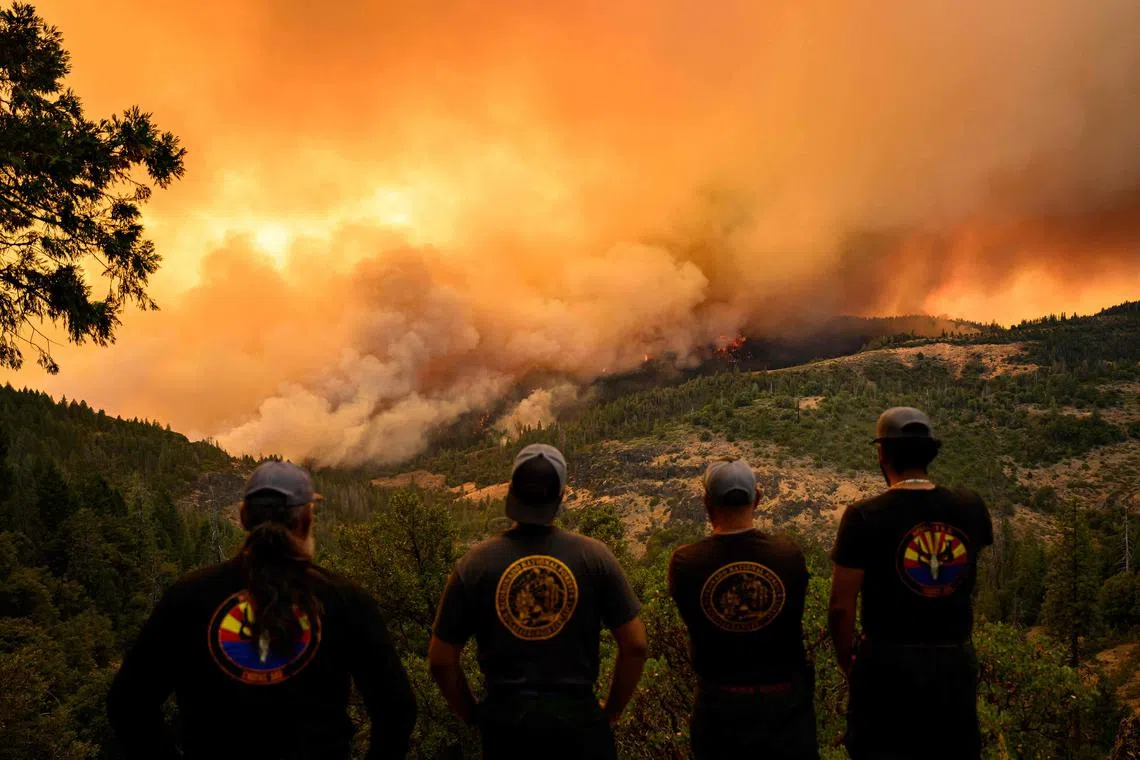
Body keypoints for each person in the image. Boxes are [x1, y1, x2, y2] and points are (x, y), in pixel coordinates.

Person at [107, 461, 416, 760]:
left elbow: (128, 704)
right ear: (306, 520)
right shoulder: (344, 599)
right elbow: (396, 708)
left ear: (243, 518)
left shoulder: (188, 597)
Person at [428, 443, 648, 760]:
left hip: (507, 731)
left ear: (511, 491)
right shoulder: (594, 557)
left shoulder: (475, 564)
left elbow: (440, 659)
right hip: (579, 726)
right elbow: (636, 645)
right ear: (560, 496)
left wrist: (472, 713)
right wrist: (610, 712)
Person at [829, 407, 993, 760]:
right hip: (953, 665)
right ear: (931, 452)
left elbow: (841, 606)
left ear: (882, 454)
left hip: (887, 666)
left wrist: (849, 662)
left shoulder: (863, 516)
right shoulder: (970, 508)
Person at [668, 458, 818, 760]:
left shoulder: (686, 563)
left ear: (706, 503)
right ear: (758, 498)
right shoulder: (788, 555)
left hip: (720, 708)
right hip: (785, 709)